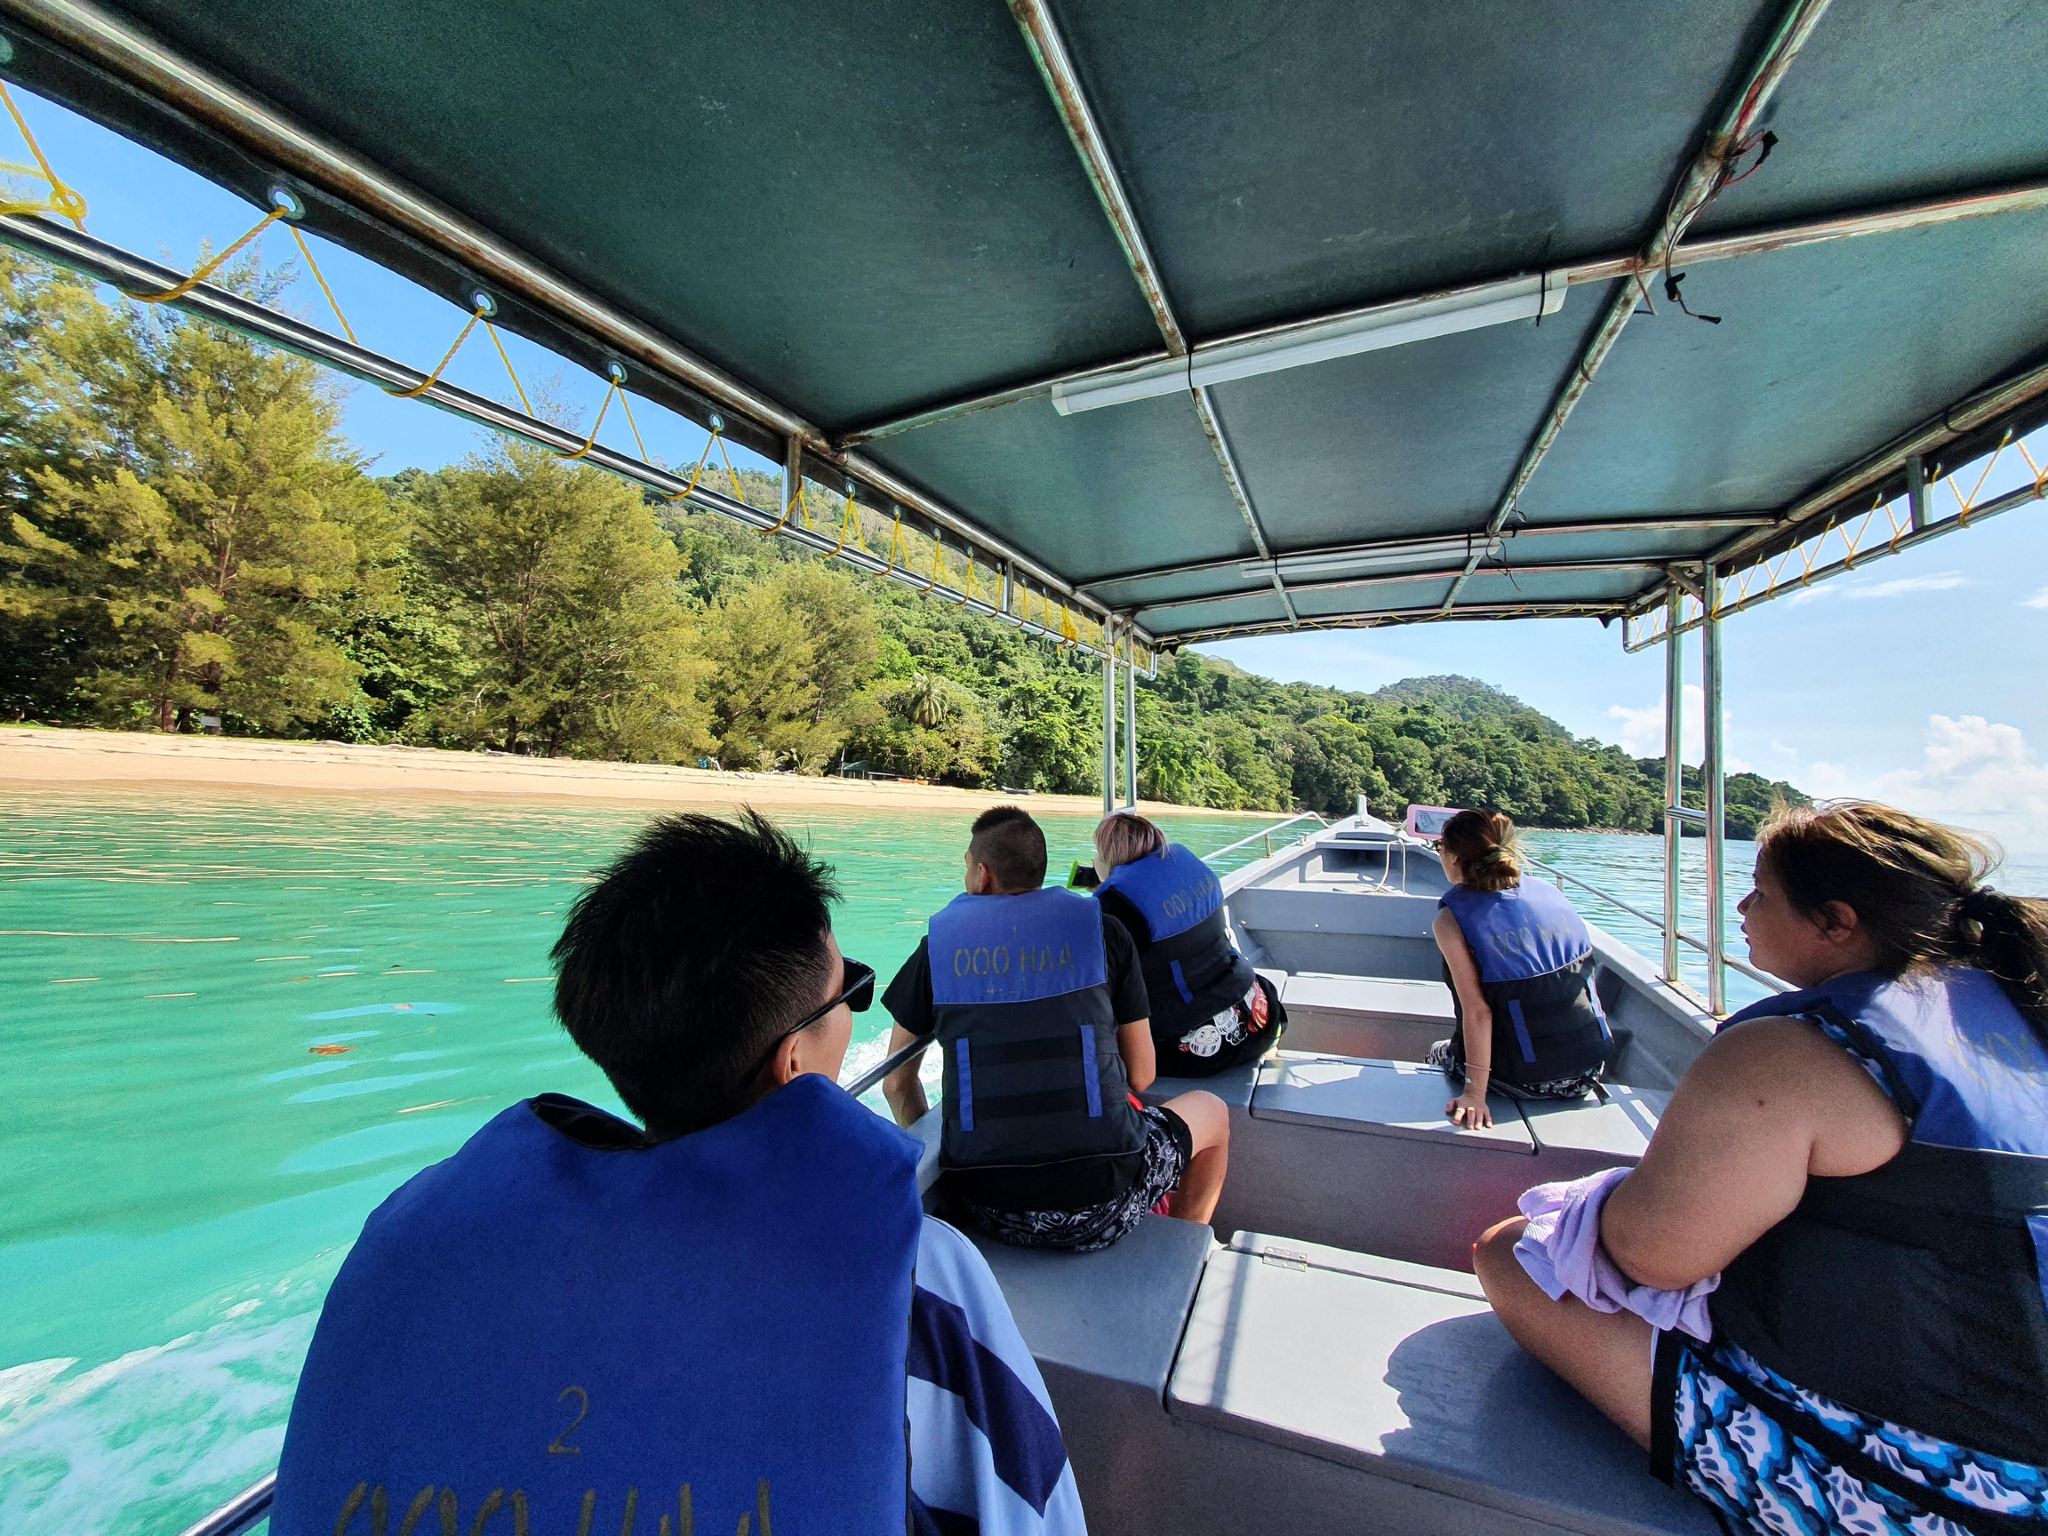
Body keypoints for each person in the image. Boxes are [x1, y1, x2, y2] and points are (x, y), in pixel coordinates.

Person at [271, 811, 1087, 1536]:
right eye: (850, 992)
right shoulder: (920, 1279)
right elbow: (1037, 1508)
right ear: (792, 1063)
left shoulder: (404, 1243)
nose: (852, 1011)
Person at [1473, 800, 2048, 1535]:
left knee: (1510, 1254)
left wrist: (1589, 1202)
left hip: (1948, 1495)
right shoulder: (2019, 1013)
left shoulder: (1790, 1051)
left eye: (1760, 893)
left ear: (1836, 922)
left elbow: (1650, 1257)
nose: (1741, 910)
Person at [882, 806, 1230, 1252]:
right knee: (1213, 1112)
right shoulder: (1106, 933)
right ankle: (1182, 1252)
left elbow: (896, 1084)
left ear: (982, 875)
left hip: (984, 1205)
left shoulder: (936, 949)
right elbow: (1143, 1076)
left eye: (966, 866)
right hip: (1106, 1205)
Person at [1428, 808, 1613, 1129]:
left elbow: (1478, 1013)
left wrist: (1474, 1094)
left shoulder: (1451, 920)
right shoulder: (1550, 893)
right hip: (1588, 1071)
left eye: (1439, 846)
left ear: (1454, 856)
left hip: (1523, 1078)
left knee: (1436, 1051)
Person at [1089, 811, 1284, 1076]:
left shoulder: (1117, 906)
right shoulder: (1189, 869)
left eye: (1097, 852)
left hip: (1200, 1048)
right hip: (1260, 1015)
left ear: (1107, 858)